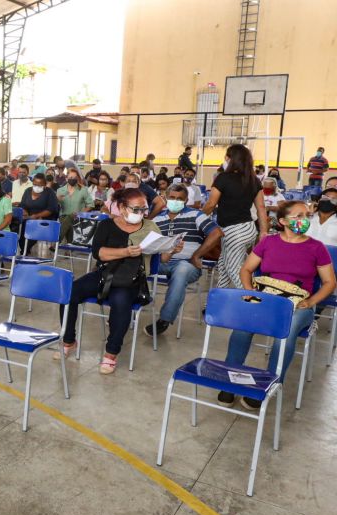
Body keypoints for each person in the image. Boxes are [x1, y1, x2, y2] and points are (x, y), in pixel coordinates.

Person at [219, 200, 336, 409]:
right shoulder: (268, 242)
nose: (304, 220)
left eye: (306, 216)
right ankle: (230, 382)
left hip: (298, 303)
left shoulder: (316, 247)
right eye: (298, 216)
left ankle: (269, 385)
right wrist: (249, 290)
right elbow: (246, 270)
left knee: (286, 333)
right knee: (242, 329)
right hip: (266, 298)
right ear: (282, 221)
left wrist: (311, 302)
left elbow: (329, 283)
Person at [58, 187, 159, 373]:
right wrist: (125, 252)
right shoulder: (106, 225)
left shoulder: (151, 227)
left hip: (132, 278)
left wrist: (173, 249)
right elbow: (100, 254)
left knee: (120, 301)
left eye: (144, 209)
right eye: (136, 209)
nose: (141, 214)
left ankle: (111, 353)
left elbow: (161, 257)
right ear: (121, 207)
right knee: (69, 292)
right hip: (105, 273)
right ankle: (68, 339)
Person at [144, 185, 223, 336]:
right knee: (137, 264)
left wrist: (196, 255)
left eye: (180, 199)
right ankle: (125, 307)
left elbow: (216, 233)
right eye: (172, 198)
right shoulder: (158, 219)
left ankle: (164, 320)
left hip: (187, 264)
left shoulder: (196, 215)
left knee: (181, 270)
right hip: (162, 261)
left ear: (186, 200)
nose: (175, 201)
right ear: (166, 198)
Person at [202, 144, 269, 288]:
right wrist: (264, 231)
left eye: (226, 156)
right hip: (248, 229)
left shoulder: (223, 178)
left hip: (233, 231)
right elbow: (261, 208)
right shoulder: (254, 180)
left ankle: (251, 302)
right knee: (224, 264)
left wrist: (197, 217)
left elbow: (211, 204)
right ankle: (218, 301)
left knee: (235, 270)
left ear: (230, 158)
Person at [19, 173, 60, 254]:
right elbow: (23, 205)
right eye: (35, 184)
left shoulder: (50, 193)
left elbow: (51, 209)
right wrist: (25, 212)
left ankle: (25, 250)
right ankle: (24, 249)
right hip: (28, 218)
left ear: (45, 185)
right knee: (19, 225)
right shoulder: (28, 191)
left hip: (43, 218)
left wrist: (37, 216)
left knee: (33, 227)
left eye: (39, 185)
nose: (36, 187)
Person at [57, 170, 94, 244]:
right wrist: (57, 200)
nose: (72, 179)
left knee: (71, 217)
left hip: (78, 218)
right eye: (70, 177)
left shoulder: (83, 190)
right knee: (68, 221)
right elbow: (56, 206)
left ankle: (57, 241)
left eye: (74, 177)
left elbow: (91, 205)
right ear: (66, 178)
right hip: (63, 217)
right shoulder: (60, 190)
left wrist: (80, 213)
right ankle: (69, 246)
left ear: (77, 179)